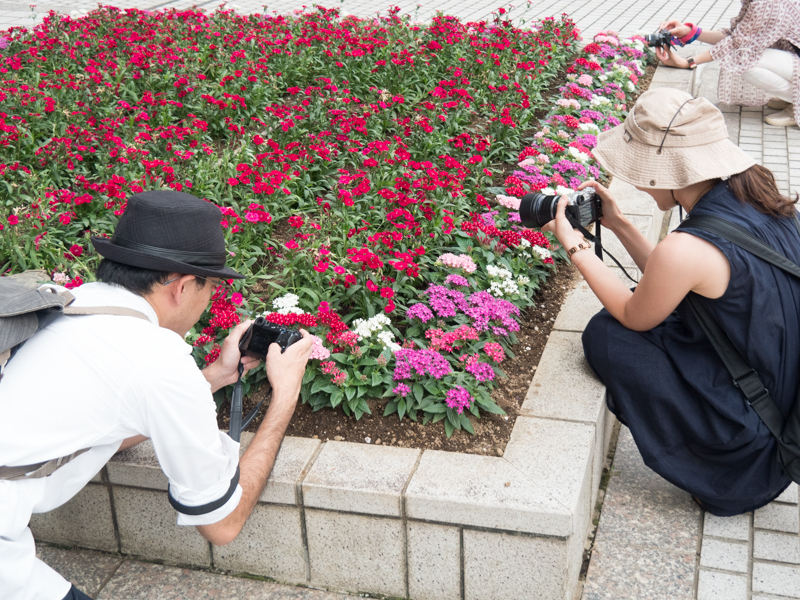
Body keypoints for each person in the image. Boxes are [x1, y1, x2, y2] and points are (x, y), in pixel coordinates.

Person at [0, 191, 313, 600]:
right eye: (212, 290)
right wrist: (284, 397)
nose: (208, 302)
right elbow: (222, 523)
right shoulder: (157, 361)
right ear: (183, 287)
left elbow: (102, 430)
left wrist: (217, 375)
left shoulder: (65, 303)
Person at [542, 88, 800, 516]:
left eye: (639, 169)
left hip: (748, 452)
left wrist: (575, 249)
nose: (635, 180)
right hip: (780, 401)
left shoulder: (687, 248)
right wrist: (621, 225)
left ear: (668, 171)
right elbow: (677, 278)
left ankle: (706, 465)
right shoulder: (759, 199)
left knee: (607, 334)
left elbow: (634, 314)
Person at [655, 0, 800, 127]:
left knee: (745, 60)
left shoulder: (768, 2)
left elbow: (738, 44)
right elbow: (735, 35)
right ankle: (793, 96)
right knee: (744, 55)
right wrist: (692, 32)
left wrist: (689, 62)